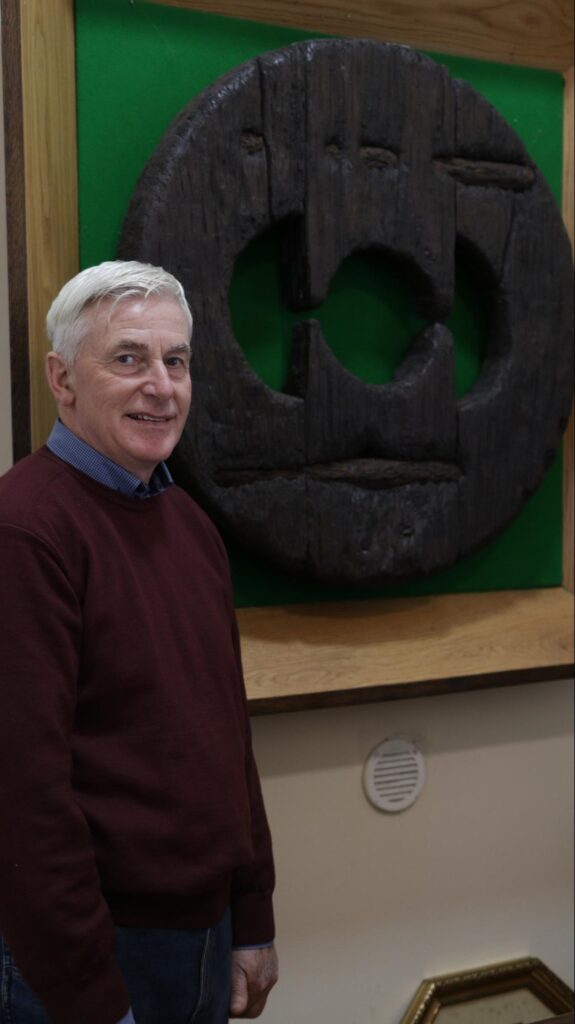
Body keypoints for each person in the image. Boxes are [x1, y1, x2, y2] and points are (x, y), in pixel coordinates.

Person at [0, 261, 278, 1024]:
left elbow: (227, 736)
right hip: (88, 956)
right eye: (128, 359)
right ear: (62, 380)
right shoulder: (24, 531)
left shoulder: (190, 525)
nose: (161, 385)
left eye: (176, 361)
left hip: (203, 935)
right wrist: (90, 996)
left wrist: (251, 916)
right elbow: (22, 797)